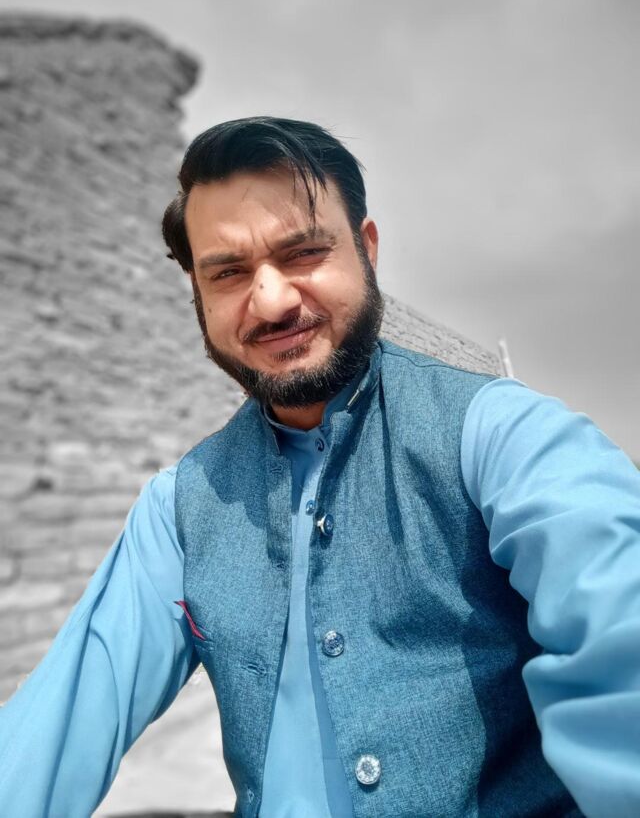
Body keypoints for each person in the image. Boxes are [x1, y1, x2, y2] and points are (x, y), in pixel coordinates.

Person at [1, 117, 639, 818]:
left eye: (303, 252)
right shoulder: (179, 510)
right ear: (198, 295)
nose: (272, 301)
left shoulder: (497, 436)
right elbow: (51, 733)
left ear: (367, 250)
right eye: (228, 272)